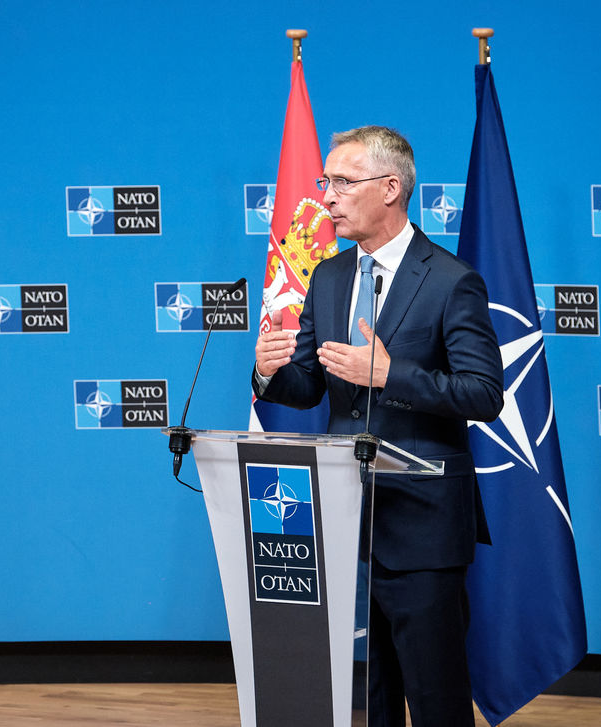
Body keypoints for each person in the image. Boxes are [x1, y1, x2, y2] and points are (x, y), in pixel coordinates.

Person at [253, 126, 504, 726]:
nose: (328, 198)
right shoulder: (330, 276)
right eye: (326, 182)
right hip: (346, 521)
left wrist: (392, 375)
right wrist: (269, 374)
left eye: (342, 182)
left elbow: (484, 394)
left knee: (436, 696)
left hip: (422, 526)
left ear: (390, 188)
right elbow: (309, 384)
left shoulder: (451, 280)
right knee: (372, 698)